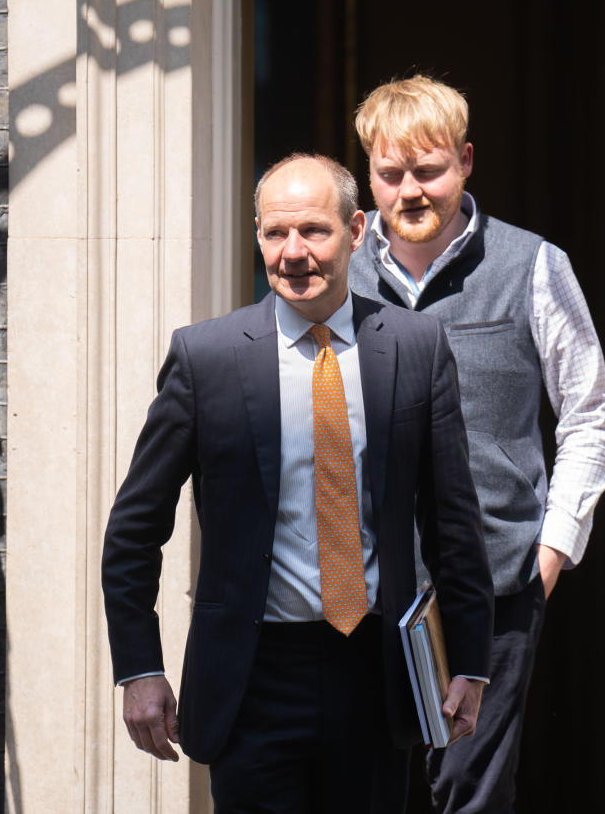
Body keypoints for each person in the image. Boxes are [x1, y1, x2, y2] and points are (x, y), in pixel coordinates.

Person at [101, 153, 494, 813]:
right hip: (251, 677)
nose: (292, 252)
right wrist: (140, 668)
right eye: (275, 233)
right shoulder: (207, 358)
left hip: (375, 674)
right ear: (257, 236)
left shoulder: (416, 347)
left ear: (357, 230)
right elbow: (134, 530)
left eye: (314, 231)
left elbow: (453, 521)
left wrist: (472, 663)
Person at [349, 76, 605, 813]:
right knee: (358, 785)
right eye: (391, 173)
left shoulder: (532, 265)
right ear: (369, 173)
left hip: (494, 585)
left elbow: (590, 413)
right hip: (358, 588)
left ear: (465, 162)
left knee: (471, 795)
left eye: (428, 170)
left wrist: (551, 554)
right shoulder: (336, 271)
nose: (410, 190)